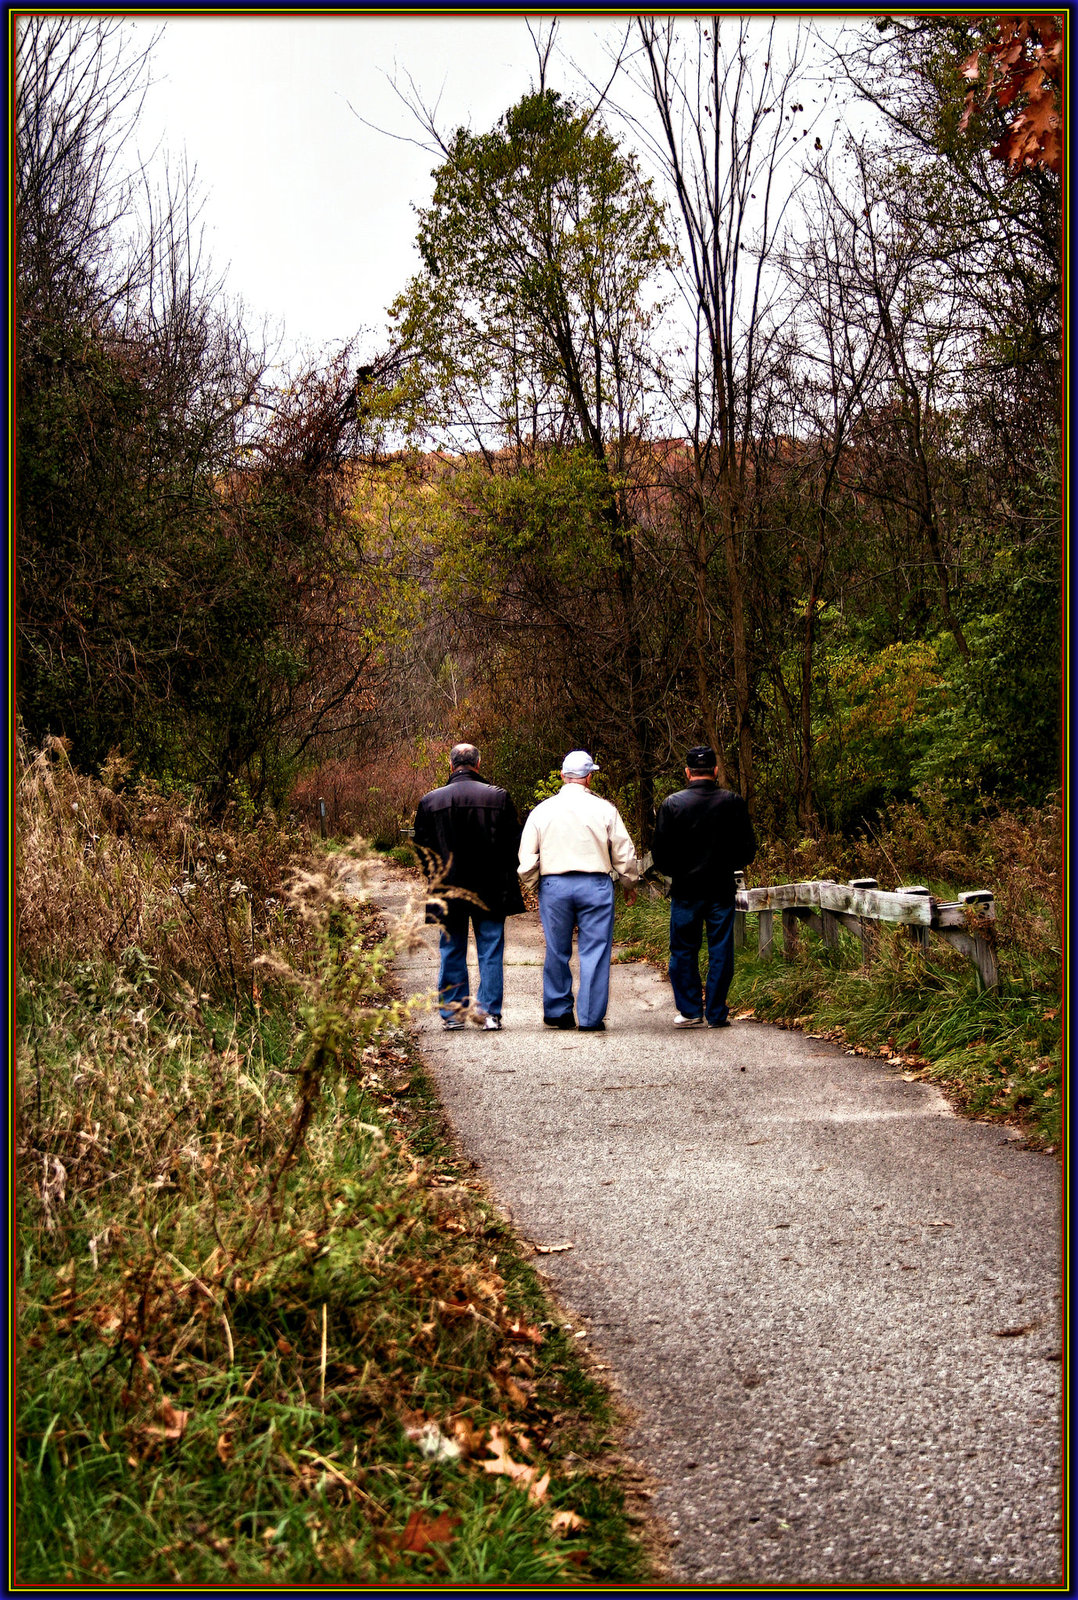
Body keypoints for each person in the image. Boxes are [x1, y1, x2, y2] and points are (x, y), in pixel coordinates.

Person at [517, 750, 639, 1032]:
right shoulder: (606, 810)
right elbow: (624, 852)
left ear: (562, 776)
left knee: (556, 949)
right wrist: (629, 882)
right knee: (595, 950)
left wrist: (539, 885)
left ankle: (559, 1010)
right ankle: (590, 1017)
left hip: (555, 885)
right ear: (589, 778)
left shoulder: (542, 810)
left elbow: (525, 860)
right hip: (595, 884)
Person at [413, 743, 525, 1031]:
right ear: (478, 764)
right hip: (490, 887)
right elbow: (514, 843)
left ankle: (453, 1013)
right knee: (490, 948)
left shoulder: (429, 801)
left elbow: (422, 850)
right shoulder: (498, 798)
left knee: (451, 949)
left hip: (446, 888)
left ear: (451, 766)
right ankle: (489, 1013)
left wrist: (434, 876)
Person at [650, 745, 757, 1029]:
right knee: (720, 948)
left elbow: (660, 855)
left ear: (687, 772)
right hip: (721, 887)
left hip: (686, 889)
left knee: (683, 948)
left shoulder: (671, 805)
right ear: (715, 771)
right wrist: (728, 865)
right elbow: (748, 849)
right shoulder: (733, 802)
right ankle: (717, 1012)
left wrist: (678, 872)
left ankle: (690, 1010)